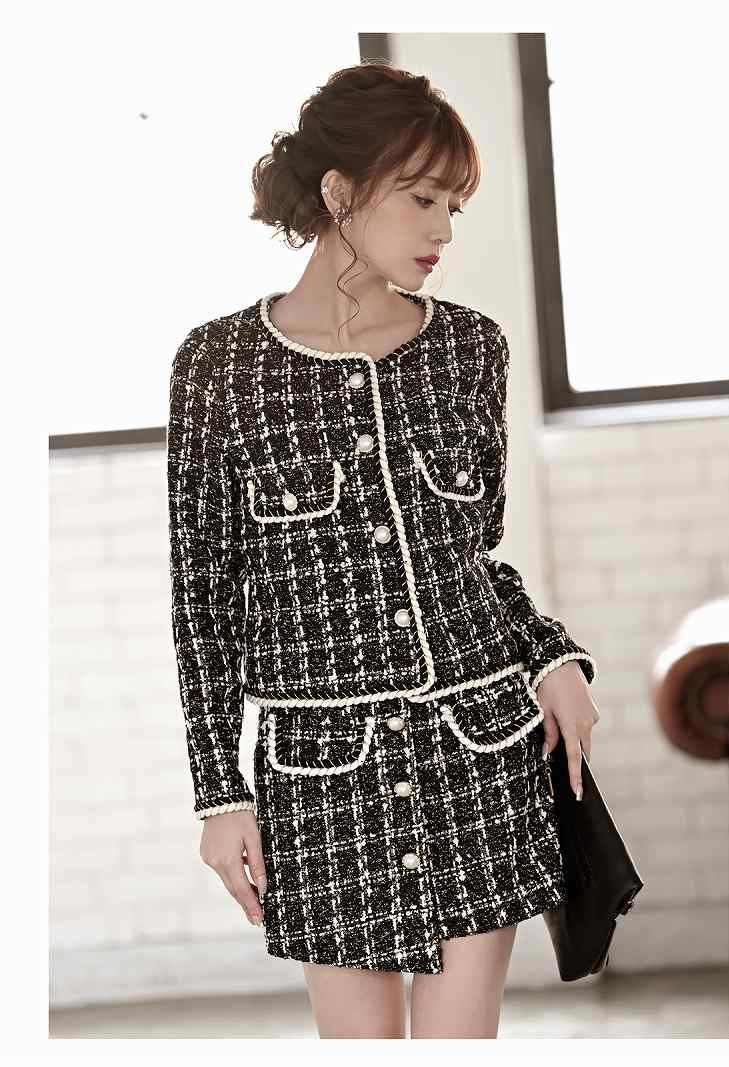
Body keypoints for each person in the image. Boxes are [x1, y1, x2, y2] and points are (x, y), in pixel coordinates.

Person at [167, 60, 601, 1039]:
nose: (444, 228)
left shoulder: (471, 348)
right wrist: (218, 792)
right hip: (323, 778)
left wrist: (550, 656)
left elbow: (473, 560)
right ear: (339, 192)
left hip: (478, 748)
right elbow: (204, 601)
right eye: (421, 198)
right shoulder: (218, 367)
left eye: (454, 204)